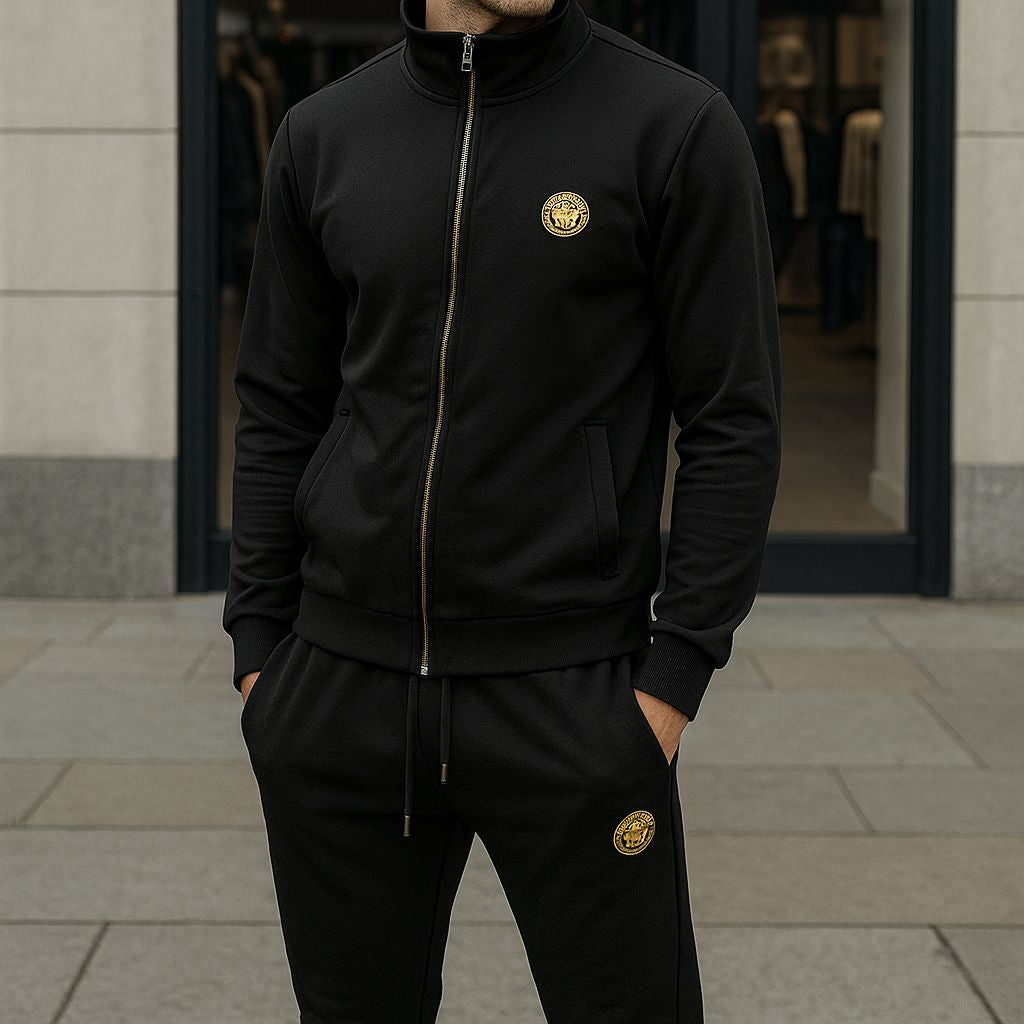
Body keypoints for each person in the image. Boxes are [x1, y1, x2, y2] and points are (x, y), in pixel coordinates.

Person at [221, 0, 782, 1020]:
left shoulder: (673, 125)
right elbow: (278, 403)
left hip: (571, 694)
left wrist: (673, 677)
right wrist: (262, 651)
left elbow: (732, 418)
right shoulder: (325, 133)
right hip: (340, 695)